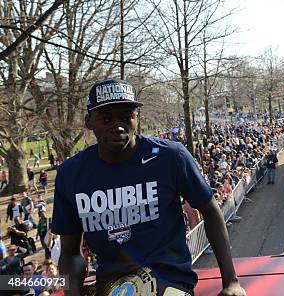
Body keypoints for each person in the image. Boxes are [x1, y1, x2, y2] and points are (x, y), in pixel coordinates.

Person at [51, 79, 245, 296]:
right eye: (106, 119)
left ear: (137, 118)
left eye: (126, 117)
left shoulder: (171, 157)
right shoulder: (71, 173)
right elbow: (69, 253)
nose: (117, 127)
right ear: (89, 122)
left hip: (171, 284)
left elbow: (209, 210)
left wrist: (231, 282)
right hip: (112, 288)